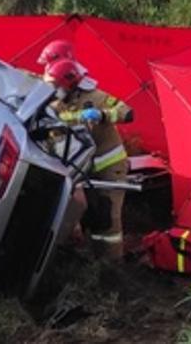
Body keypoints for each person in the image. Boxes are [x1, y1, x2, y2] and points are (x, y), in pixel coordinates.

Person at [45, 59, 135, 257]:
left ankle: (111, 262)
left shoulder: (96, 97)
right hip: (82, 169)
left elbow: (127, 113)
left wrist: (102, 115)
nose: (53, 90)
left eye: (56, 86)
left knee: (107, 217)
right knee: (91, 215)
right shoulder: (55, 106)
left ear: (69, 84)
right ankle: (93, 257)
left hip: (110, 165)